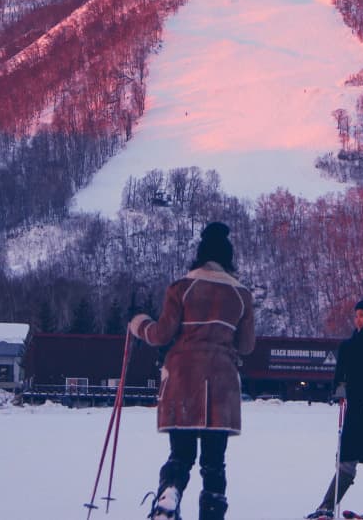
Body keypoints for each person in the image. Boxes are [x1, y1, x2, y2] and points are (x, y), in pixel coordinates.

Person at [129, 222, 255, 520]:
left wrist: (138, 324)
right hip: (222, 386)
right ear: (228, 257)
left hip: (183, 380)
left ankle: (169, 495)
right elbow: (247, 345)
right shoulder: (242, 295)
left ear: (200, 254)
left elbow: (161, 334)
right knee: (214, 464)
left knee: (181, 455)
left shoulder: (182, 288)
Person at [306, 297, 363, 520]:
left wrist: (349, 383)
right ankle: (326, 507)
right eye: (356, 315)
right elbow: (342, 374)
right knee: (347, 459)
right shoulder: (350, 344)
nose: (358, 320)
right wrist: (340, 387)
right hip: (358, 407)